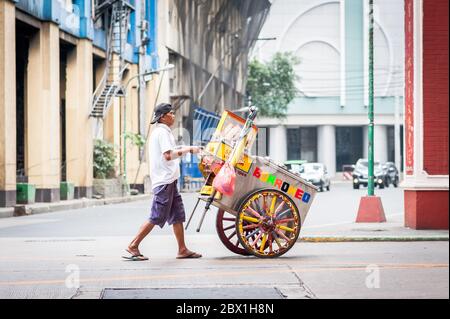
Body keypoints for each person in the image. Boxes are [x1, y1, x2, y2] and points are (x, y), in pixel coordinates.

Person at [123, 103, 202, 261]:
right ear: (163, 117)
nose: (173, 115)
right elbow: (168, 155)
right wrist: (189, 150)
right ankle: (133, 245)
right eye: (171, 113)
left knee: (177, 215)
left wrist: (189, 147)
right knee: (157, 216)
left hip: (169, 180)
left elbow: (170, 150)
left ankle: (182, 249)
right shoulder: (161, 133)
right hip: (164, 181)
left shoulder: (163, 132)